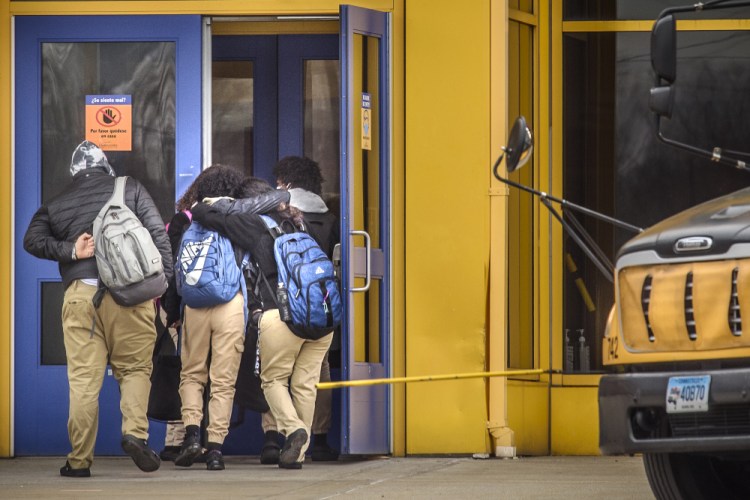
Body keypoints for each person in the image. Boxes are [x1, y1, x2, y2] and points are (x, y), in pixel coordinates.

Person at [23, 141, 172, 477]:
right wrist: (162, 288)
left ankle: (78, 461)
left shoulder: (58, 202)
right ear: (106, 167)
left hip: (80, 297)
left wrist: (70, 250)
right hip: (130, 296)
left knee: (82, 382)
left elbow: (30, 240)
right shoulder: (129, 187)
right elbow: (158, 237)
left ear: (74, 173)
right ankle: (135, 434)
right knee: (134, 369)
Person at [191, 178, 334, 469]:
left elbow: (203, 214)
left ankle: (293, 429)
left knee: (273, 380)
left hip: (282, 317)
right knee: (305, 386)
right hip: (321, 317)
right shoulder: (299, 221)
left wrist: (222, 203)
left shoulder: (254, 226)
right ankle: (299, 453)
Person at [169, 165, 289, 471]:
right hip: (231, 304)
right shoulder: (241, 220)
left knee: (192, 374)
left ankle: (193, 434)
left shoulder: (189, 220)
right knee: (223, 381)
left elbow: (174, 271)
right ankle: (215, 450)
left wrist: (172, 312)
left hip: (194, 305)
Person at [273, 156, 340, 461]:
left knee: (276, 371)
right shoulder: (332, 217)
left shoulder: (278, 213)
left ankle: (276, 437)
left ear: (285, 182)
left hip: (284, 301)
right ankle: (319, 438)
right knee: (317, 372)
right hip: (320, 303)